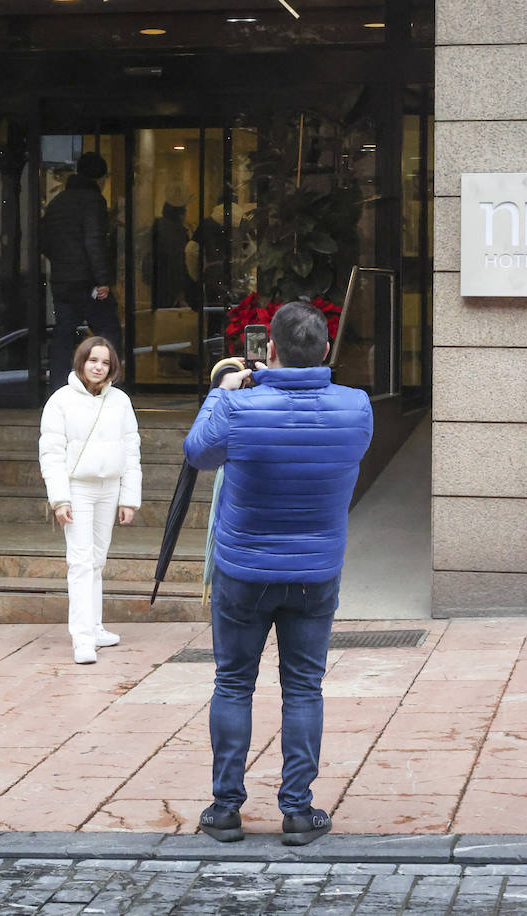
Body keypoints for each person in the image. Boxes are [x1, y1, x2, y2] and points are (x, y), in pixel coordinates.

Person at [183, 301, 372, 845]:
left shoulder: (240, 407)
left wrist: (225, 389)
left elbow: (198, 453)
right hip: (315, 572)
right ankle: (298, 809)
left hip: (243, 568)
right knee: (304, 687)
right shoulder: (357, 407)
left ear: (269, 351)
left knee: (233, 683)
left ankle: (225, 809)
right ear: (326, 351)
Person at [38, 336, 142, 664]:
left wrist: (129, 498)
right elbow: (51, 453)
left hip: (109, 488)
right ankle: (82, 638)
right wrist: (60, 499)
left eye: (105, 362)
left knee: (97, 560)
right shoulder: (61, 401)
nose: (98, 367)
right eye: (92, 360)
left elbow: (131, 451)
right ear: (80, 361)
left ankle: (95, 626)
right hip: (77, 489)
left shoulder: (120, 401)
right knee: (80, 562)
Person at [41, 152, 119, 392]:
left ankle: (58, 388)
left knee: (63, 334)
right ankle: (109, 385)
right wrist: (102, 279)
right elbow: (93, 241)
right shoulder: (92, 201)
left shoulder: (58, 202)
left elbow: (44, 243)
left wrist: (64, 265)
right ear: (101, 178)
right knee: (109, 331)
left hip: (62, 280)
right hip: (87, 281)